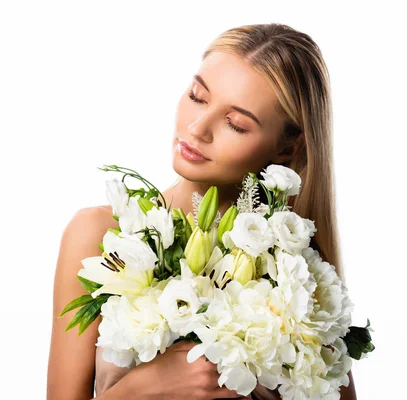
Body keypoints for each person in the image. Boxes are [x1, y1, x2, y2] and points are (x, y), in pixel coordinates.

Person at [47, 23, 357, 400]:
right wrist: (142, 388)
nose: (197, 128)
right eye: (197, 96)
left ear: (286, 149)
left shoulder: (298, 275)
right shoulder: (98, 235)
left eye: (235, 123)